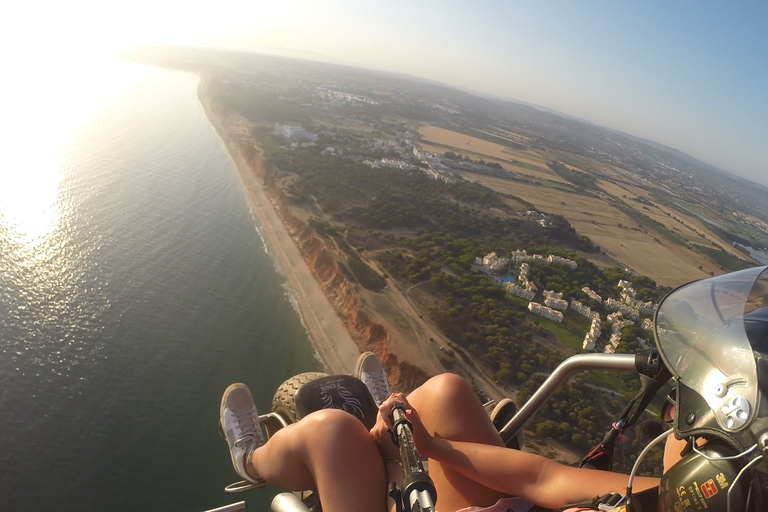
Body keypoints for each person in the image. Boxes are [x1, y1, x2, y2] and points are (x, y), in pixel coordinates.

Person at [219, 352, 661, 512]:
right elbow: (542, 479)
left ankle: (251, 461)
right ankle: (388, 427)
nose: (688, 433)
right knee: (447, 391)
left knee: (329, 431)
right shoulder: (678, 496)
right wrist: (428, 445)